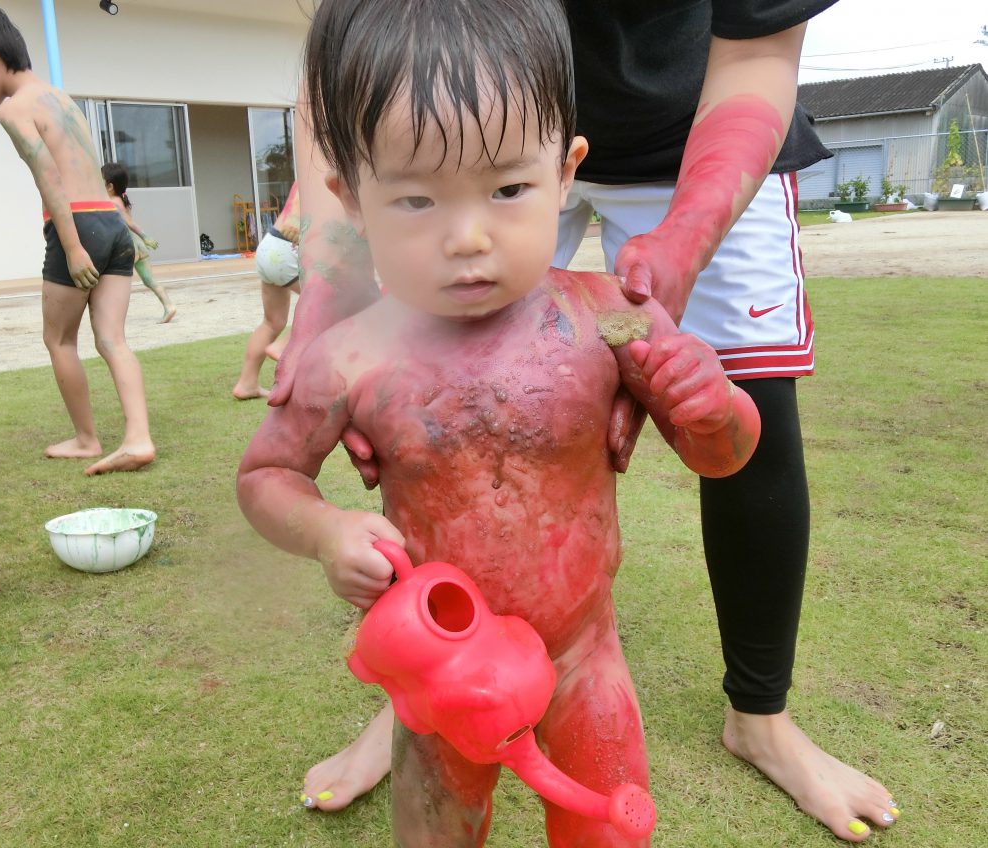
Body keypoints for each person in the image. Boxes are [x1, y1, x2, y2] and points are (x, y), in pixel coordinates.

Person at [275, 0, 900, 842]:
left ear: (564, 173)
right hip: (442, 660)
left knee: (608, 826)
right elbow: (265, 473)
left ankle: (762, 717)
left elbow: (722, 455)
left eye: (507, 194)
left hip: (583, 662)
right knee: (437, 826)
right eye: (417, 201)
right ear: (354, 197)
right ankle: (399, 709)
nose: (468, 238)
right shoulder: (352, 358)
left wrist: (710, 404)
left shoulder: (610, 319)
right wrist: (319, 529)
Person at [0, 0, 155, 476]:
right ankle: (138, 437)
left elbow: (50, 180)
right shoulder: (60, 97)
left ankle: (86, 439)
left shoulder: (13, 110)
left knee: (58, 339)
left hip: (77, 225)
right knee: (112, 338)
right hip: (111, 221)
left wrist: (75, 247)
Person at [232, 184, 301, 400]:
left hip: (270, 243)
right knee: (330, 302)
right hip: (289, 246)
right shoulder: (331, 162)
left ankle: (247, 383)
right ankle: (281, 346)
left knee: (272, 322)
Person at [101, 162, 178, 324]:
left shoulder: (113, 202)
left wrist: (145, 236)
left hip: (128, 247)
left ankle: (111, 316)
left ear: (109, 186)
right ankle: (168, 306)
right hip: (138, 247)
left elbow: (129, 223)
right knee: (149, 280)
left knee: (112, 281)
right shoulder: (122, 200)